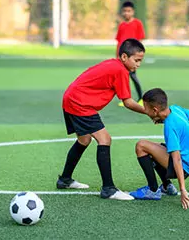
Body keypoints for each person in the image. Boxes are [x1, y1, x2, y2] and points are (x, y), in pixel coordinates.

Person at [57, 39, 146, 201]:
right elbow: (128, 102)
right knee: (105, 139)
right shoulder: (120, 71)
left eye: (141, 61)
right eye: (137, 60)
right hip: (80, 103)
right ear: (124, 57)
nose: (139, 64)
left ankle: (64, 179)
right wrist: (149, 112)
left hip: (71, 98)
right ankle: (108, 188)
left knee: (84, 140)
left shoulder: (115, 65)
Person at [129, 88, 189, 209]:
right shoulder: (175, 109)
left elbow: (177, 158)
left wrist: (183, 189)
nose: (145, 111)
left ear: (155, 110)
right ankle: (167, 186)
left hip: (184, 166)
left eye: (146, 108)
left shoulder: (170, 125)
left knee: (141, 146)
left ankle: (152, 190)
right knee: (155, 147)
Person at [115, 1, 145, 107]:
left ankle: (141, 98)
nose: (126, 13)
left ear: (133, 12)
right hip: (122, 56)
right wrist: (117, 55)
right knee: (124, 77)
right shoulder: (122, 25)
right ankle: (126, 99)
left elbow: (140, 40)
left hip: (132, 56)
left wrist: (138, 56)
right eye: (124, 11)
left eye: (129, 11)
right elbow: (119, 41)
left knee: (133, 76)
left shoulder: (137, 23)